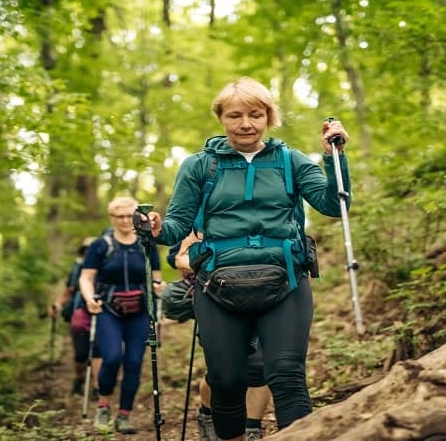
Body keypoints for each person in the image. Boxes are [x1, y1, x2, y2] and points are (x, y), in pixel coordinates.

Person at [148, 77, 350, 440]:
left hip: (285, 280)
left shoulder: (291, 161)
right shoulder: (199, 165)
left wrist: (334, 156)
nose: (245, 124)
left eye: (256, 115)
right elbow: (176, 226)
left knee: (287, 374)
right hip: (217, 285)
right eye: (235, 115)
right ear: (221, 118)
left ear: (269, 117)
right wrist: (158, 230)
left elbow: (334, 205)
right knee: (227, 380)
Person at [168, 234, 272, 441]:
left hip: (262, 293)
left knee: (259, 366)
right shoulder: (201, 219)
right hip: (217, 298)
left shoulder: (263, 212)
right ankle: (207, 414)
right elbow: (176, 258)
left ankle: (252, 429)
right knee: (223, 373)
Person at [78, 196, 165, 434]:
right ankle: (104, 403)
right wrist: (88, 299)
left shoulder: (146, 243)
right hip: (108, 310)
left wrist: (158, 285)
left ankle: (124, 414)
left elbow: (156, 275)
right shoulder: (100, 246)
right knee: (113, 357)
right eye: (120, 216)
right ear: (112, 218)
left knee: (134, 362)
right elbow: (86, 278)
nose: (126, 221)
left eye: (130, 216)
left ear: (137, 216)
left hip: (139, 310)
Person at [50, 238, 101, 397]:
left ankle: (96, 386)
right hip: (80, 311)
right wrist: (57, 305)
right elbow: (69, 291)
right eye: (86, 250)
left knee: (98, 351)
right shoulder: (77, 269)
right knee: (81, 353)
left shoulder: (109, 266)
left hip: (103, 311)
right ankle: (79, 378)